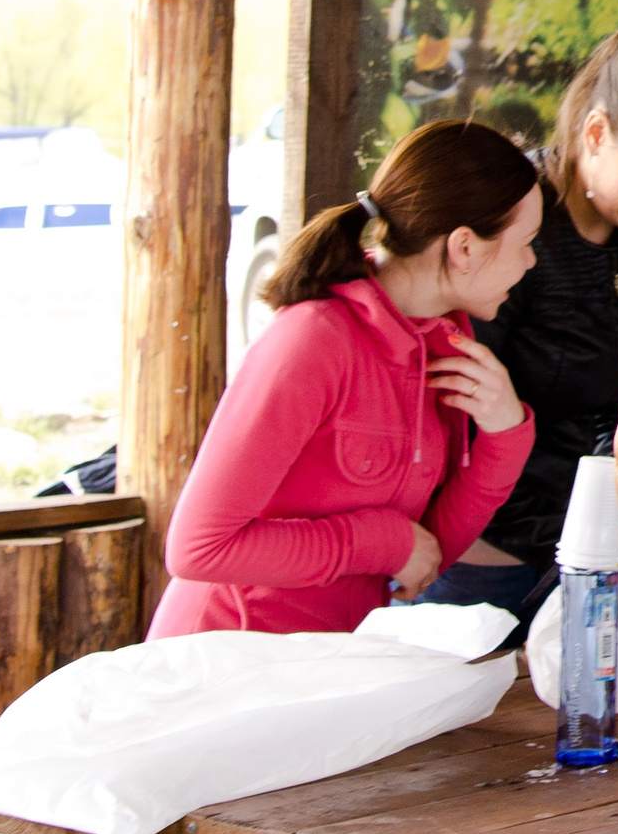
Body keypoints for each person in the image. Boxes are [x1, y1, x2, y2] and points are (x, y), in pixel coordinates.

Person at [147, 120, 540, 639]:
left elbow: (426, 559)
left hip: (324, 663)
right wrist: (379, 541)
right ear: (464, 246)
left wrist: (506, 435)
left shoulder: (441, 343)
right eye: (526, 242)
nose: (531, 261)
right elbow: (198, 549)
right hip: (224, 658)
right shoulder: (312, 340)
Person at [415, 15, 618, 622]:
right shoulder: (510, 225)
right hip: (485, 565)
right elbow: (447, 417)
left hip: (595, 557)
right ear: (596, 133)